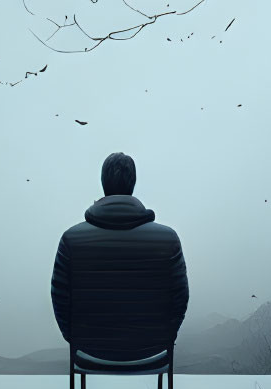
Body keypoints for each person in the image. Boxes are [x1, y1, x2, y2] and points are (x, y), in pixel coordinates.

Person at [51, 151, 189, 358]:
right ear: (133, 183)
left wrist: (74, 338)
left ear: (103, 183)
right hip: (153, 350)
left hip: (89, 351)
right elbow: (179, 298)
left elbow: (60, 298)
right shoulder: (168, 239)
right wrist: (166, 336)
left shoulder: (71, 239)